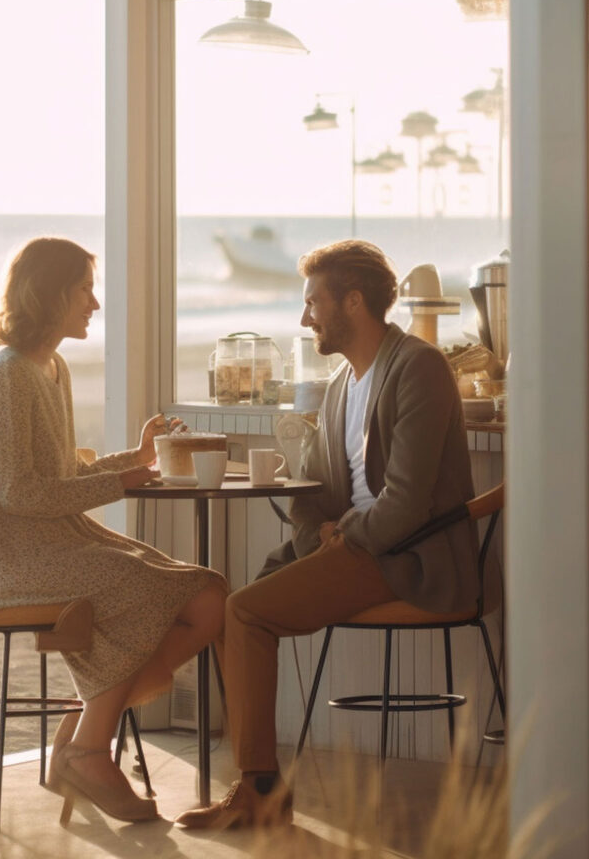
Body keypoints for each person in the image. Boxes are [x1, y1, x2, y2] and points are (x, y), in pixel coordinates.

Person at [176, 240, 476, 830]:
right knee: (226, 609)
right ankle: (259, 780)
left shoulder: (418, 366)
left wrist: (348, 537)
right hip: (353, 548)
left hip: (406, 555)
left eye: (314, 301)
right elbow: (311, 488)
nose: (305, 316)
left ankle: (260, 788)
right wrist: (321, 534)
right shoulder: (342, 383)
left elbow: (409, 501)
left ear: (354, 301)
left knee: (244, 612)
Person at [0, 236, 227, 824]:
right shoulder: (4, 375)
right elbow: (21, 495)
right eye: (84, 289)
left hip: (58, 539)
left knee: (208, 594)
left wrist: (137, 458)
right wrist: (122, 484)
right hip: (4, 556)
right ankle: (89, 752)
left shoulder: (52, 368)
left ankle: (81, 730)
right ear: (49, 294)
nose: (94, 303)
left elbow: (65, 473)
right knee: (133, 580)